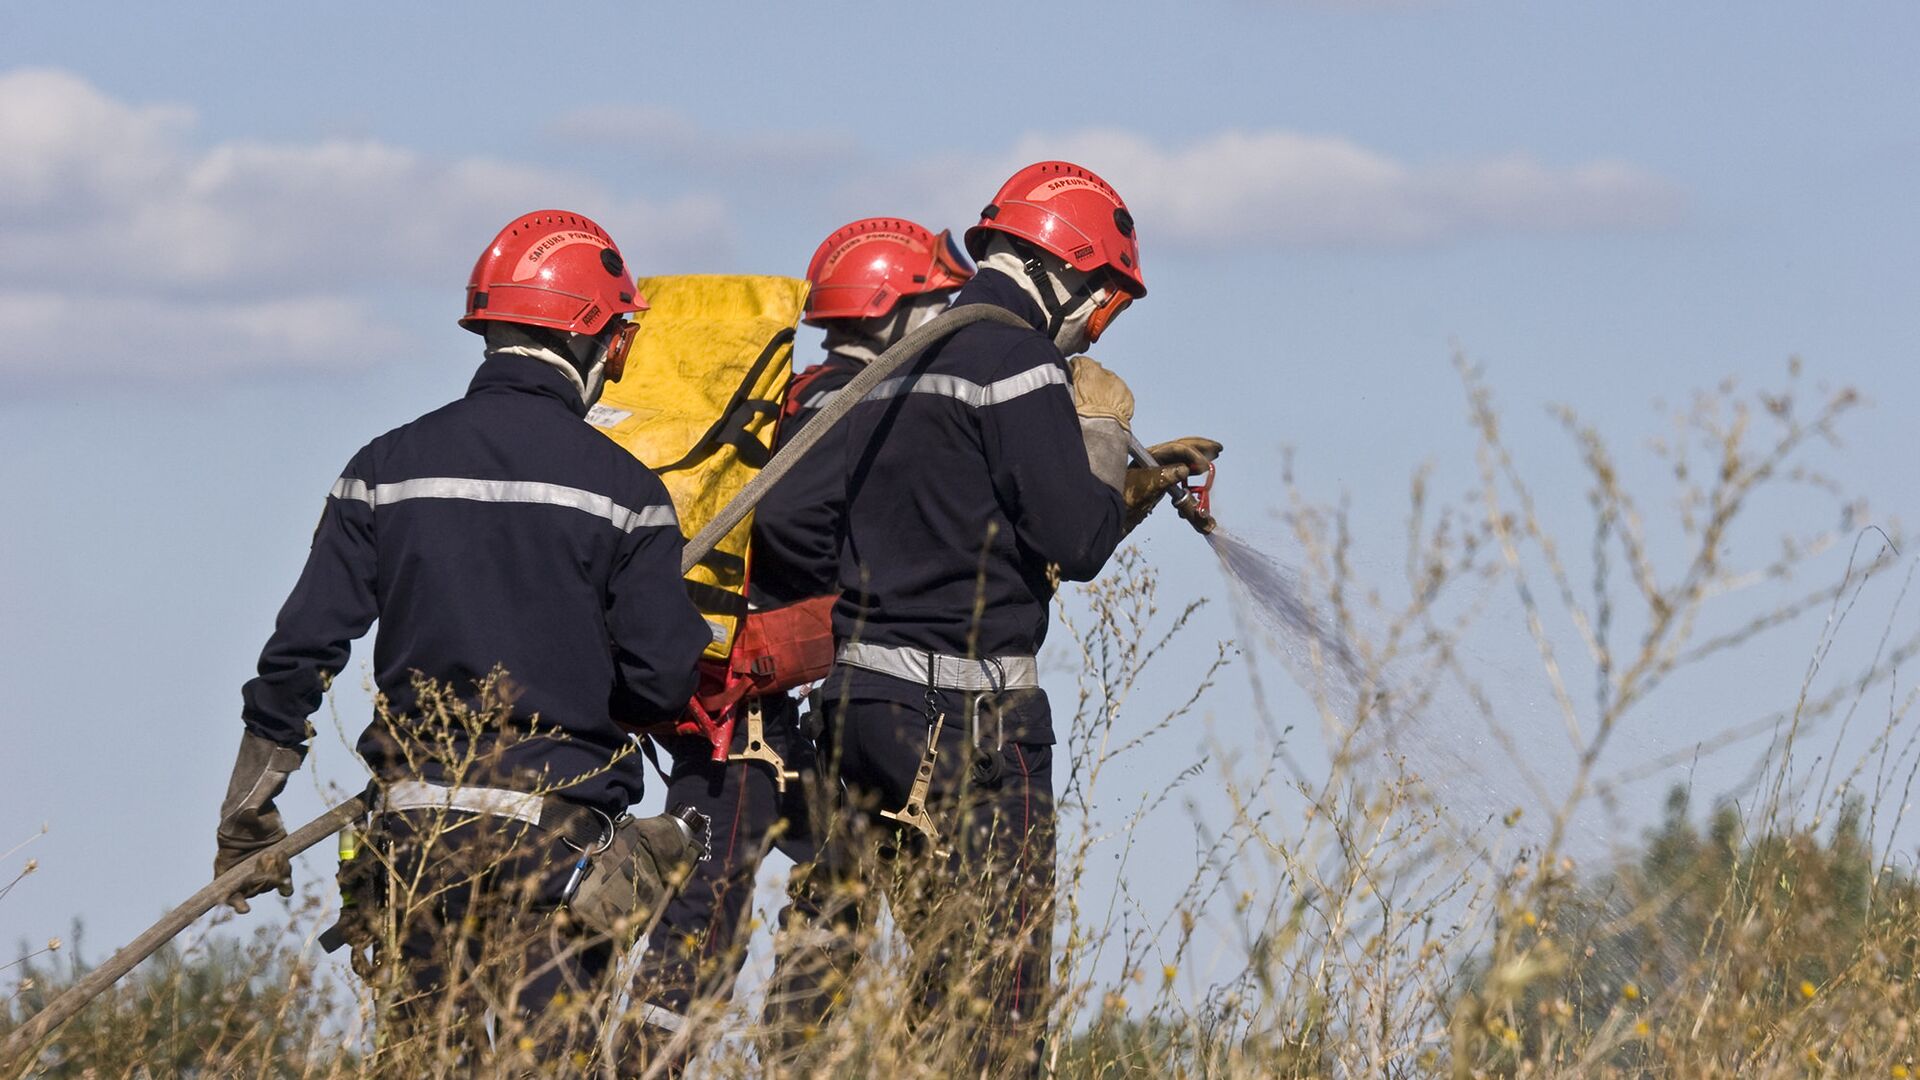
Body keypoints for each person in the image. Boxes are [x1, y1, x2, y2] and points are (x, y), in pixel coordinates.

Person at [211, 209, 711, 1070]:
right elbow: (666, 681)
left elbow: (302, 649)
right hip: (560, 855)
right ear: (600, 338)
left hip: (410, 850)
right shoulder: (628, 493)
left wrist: (246, 813)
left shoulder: (384, 468)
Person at [763, 162, 1223, 1072]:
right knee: (987, 1013)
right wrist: (1098, 439)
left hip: (857, 712)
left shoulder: (900, 358)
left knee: (831, 973)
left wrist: (896, 573)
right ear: (1063, 268)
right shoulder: (1014, 361)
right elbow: (1076, 540)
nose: (1097, 323)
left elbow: (785, 515)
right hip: (970, 725)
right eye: (1105, 300)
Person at [634, 218, 973, 1050]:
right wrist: (871, 575)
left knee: (818, 884)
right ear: (892, 310)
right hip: (756, 706)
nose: (947, 320)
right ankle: (682, 1062)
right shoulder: (853, 405)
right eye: (936, 304)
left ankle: (777, 1055)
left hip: (758, 697)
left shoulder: (801, 392)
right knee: (719, 909)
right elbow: (787, 520)